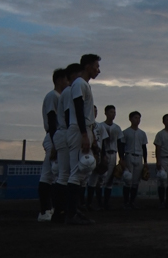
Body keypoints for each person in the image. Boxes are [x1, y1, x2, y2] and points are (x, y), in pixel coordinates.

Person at [65, 54, 100, 225]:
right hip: (79, 130)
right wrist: (84, 134)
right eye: (96, 66)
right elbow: (78, 109)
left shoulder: (84, 84)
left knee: (83, 172)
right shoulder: (79, 83)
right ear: (87, 67)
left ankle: (75, 211)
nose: (98, 70)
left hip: (84, 129)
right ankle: (71, 214)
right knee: (77, 172)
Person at [50, 63, 82, 223]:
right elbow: (71, 113)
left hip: (61, 133)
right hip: (66, 132)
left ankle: (61, 212)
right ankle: (68, 212)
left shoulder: (65, 92)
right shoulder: (70, 91)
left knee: (64, 175)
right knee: (70, 174)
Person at [38, 67, 68, 222]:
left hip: (56, 137)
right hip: (53, 136)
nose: (68, 82)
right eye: (66, 79)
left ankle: (49, 209)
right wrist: (55, 142)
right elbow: (51, 120)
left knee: (52, 175)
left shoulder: (59, 97)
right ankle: (45, 211)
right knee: (49, 175)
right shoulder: (53, 96)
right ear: (58, 80)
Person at [119, 111, 148, 210]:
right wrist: (121, 158)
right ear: (130, 119)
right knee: (127, 180)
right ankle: (125, 202)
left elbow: (144, 148)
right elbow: (121, 146)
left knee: (135, 182)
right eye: (135, 118)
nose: (137, 120)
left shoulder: (142, 133)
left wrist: (146, 161)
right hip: (129, 156)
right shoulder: (125, 132)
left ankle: (132, 202)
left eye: (139, 118)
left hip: (139, 157)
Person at [85, 105, 109, 211]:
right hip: (87, 153)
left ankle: (89, 203)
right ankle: (80, 203)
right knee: (83, 179)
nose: (94, 113)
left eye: (96, 111)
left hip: (97, 154)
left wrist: (103, 155)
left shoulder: (100, 126)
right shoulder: (84, 125)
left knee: (94, 180)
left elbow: (103, 142)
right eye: (92, 111)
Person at [100, 105, 123, 210]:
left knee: (110, 179)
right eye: (111, 112)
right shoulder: (101, 126)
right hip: (102, 154)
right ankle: (99, 202)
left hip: (113, 153)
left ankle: (106, 203)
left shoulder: (117, 128)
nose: (113, 114)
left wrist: (121, 158)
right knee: (101, 178)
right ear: (105, 113)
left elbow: (120, 144)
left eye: (114, 112)